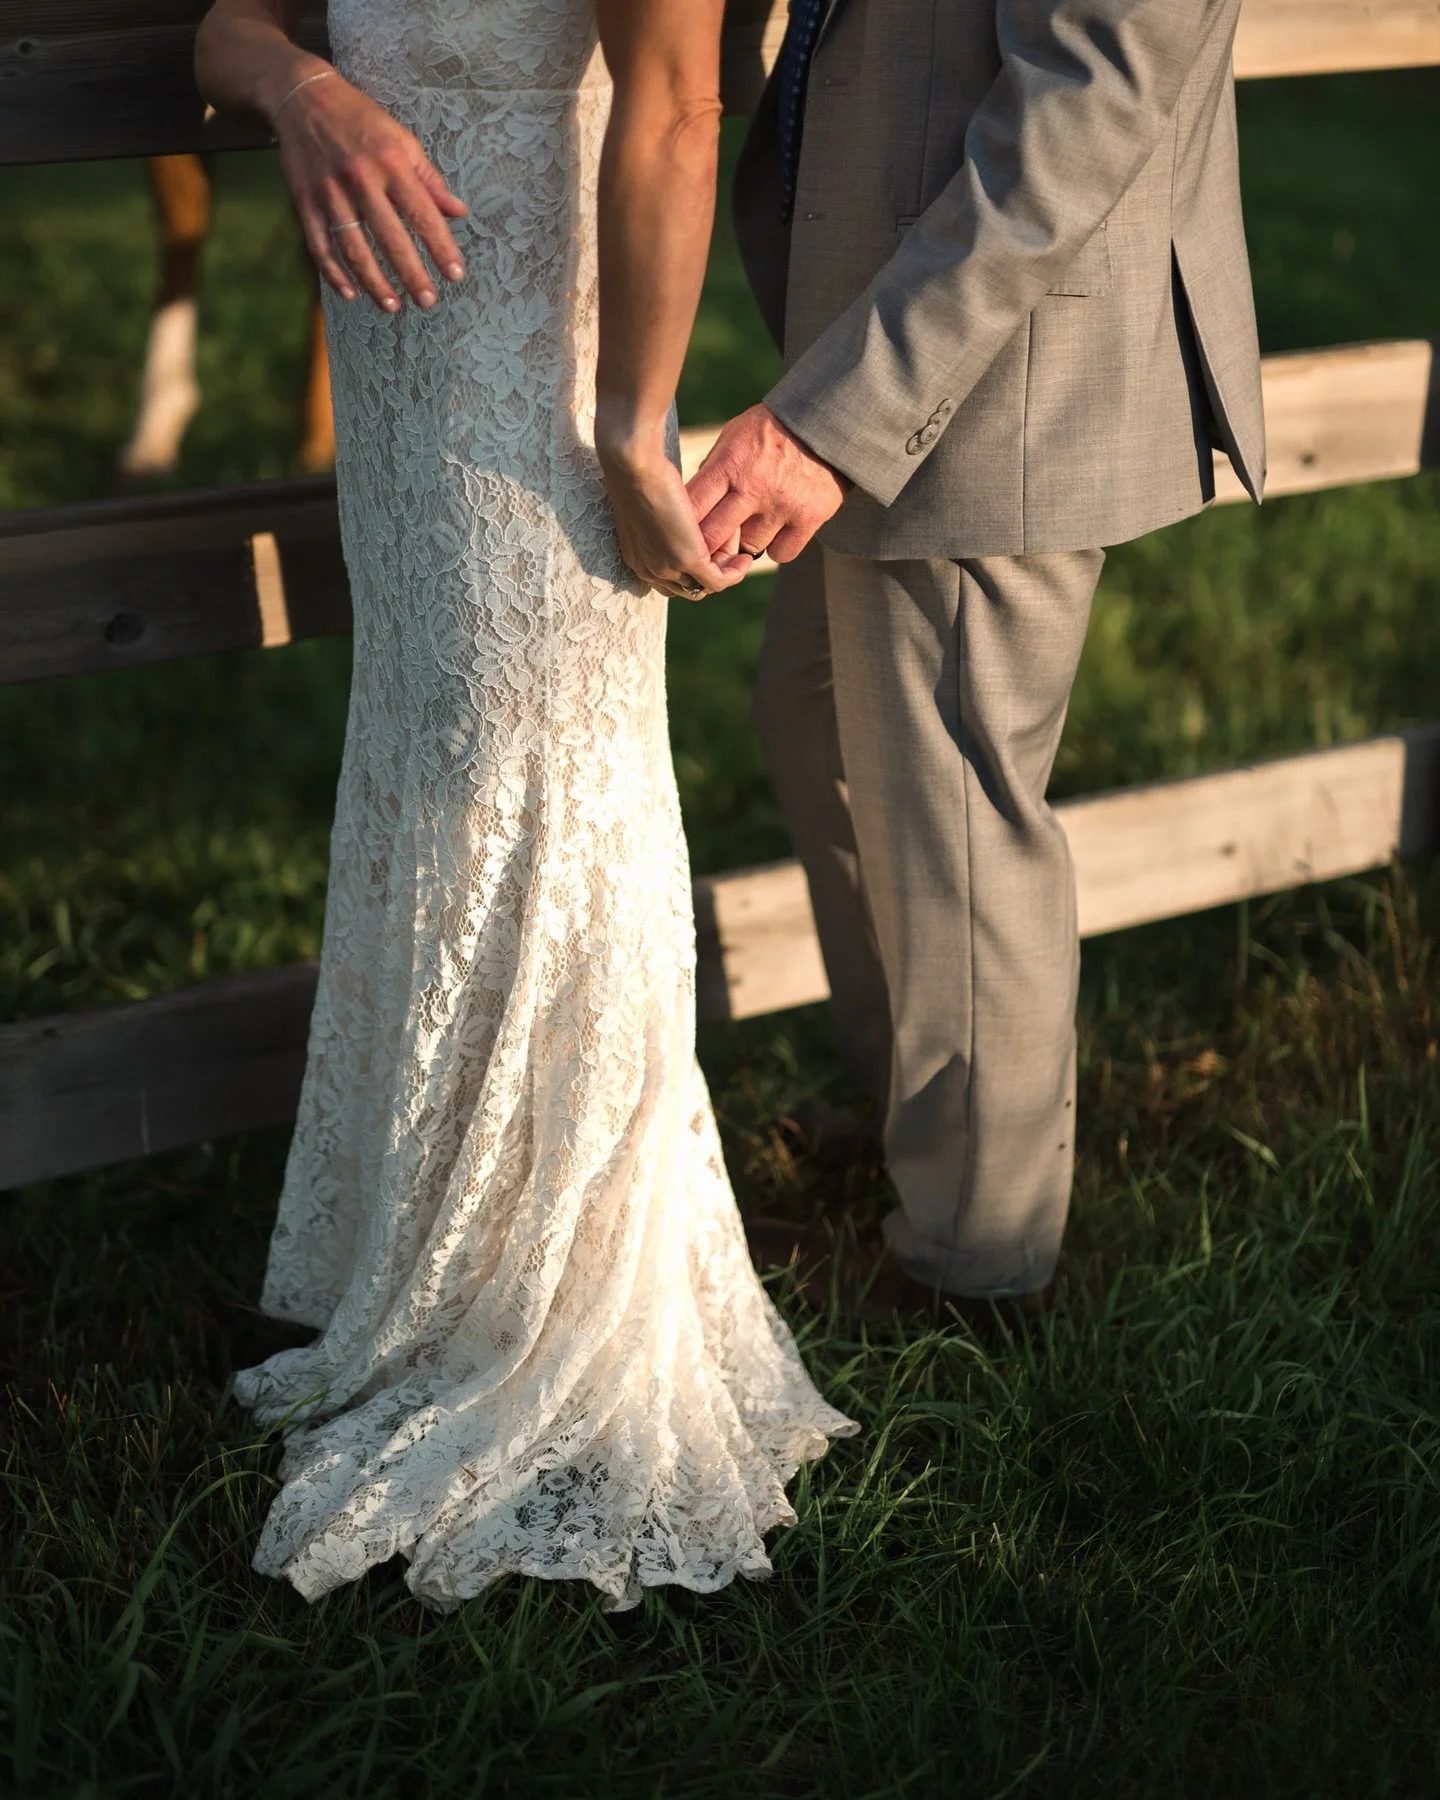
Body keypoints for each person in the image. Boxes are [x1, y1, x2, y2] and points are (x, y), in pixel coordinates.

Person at [195, 0, 855, 1612]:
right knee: (434, 767)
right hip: (402, 377)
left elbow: (679, 101)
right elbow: (224, 23)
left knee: (539, 774)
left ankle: (555, 1302)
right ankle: (435, 1264)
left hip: (548, 377)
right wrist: (306, 92)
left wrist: (635, 420)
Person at [690, 0, 1266, 1319]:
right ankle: (928, 1127)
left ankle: (975, 1267)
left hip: (991, 357)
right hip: (895, 307)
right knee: (821, 718)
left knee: (949, 803)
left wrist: (845, 414)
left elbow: (1096, 91)